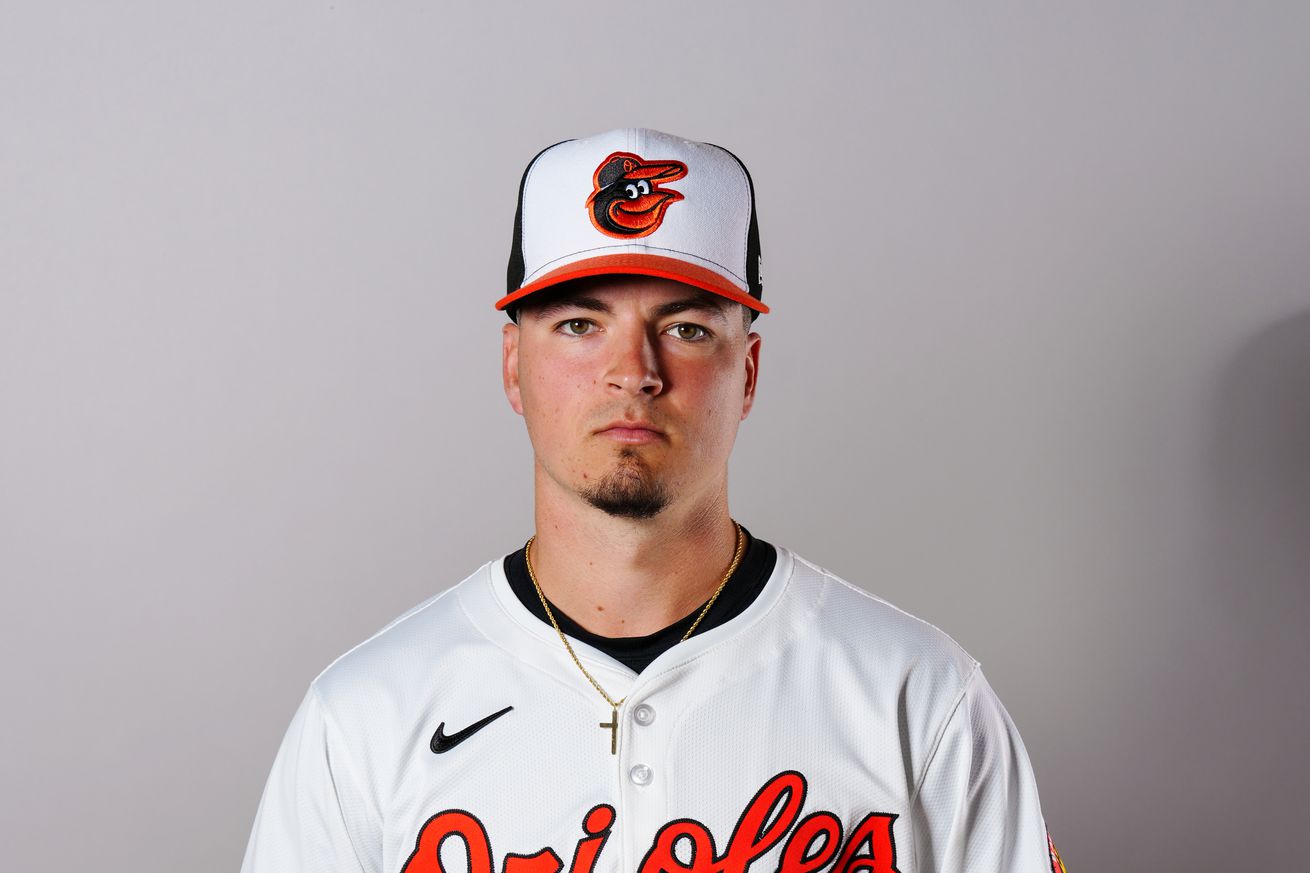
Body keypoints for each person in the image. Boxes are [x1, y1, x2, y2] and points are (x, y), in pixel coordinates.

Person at [240, 128, 1068, 873]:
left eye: (686, 328)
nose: (633, 371)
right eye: (579, 324)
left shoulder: (918, 696)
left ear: (747, 373)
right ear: (513, 365)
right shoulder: (365, 716)